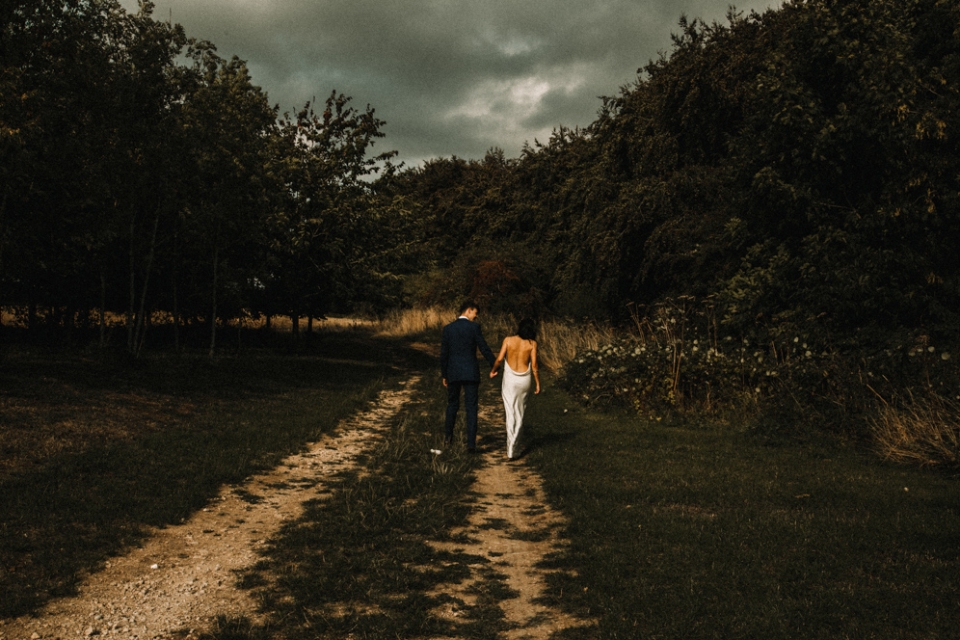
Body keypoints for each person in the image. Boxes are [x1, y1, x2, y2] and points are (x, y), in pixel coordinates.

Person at [441, 300, 497, 452]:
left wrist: (444, 374)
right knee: (471, 407)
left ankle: (448, 438)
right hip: (471, 371)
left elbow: (444, 354)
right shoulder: (474, 328)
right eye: (475, 313)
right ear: (469, 310)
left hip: (453, 371)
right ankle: (471, 444)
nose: (475, 317)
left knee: (452, 404)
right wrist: (494, 363)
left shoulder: (448, 329)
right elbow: (484, 348)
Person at [490, 318, 540, 460]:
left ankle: (511, 447)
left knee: (510, 411)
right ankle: (514, 446)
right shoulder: (532, 344)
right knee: (520, 412)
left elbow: (499, 359)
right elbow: (535, 365)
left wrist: (493, 370)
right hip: (524, 379)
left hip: (510, 380)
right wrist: (537, 383)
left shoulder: (508, 340)